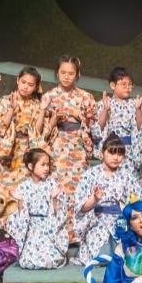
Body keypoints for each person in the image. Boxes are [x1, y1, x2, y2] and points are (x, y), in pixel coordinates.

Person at [40, 56, 98, 246]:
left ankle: (77, 234)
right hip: (58, 148)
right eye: (63, 72)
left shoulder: (86, 97)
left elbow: (96, 127)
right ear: (57, 73)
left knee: (79, 190)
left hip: (78, 147)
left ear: (77, 74)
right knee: (58, 191)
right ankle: (58, 234)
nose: (66, 77)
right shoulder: (49, 96)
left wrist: (79, 117)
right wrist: (53, 121)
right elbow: (41, 131)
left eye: (71, 73)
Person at [73, 136, 142, 266]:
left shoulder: (127, 176)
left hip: (121, 222)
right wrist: (95, 199)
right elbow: (81, 208)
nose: (116, 157)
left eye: (120, 154)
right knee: (103, 258)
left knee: (126, 258)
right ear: (102, 152)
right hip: (98, 222)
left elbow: (138, 201)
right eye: (112, 153)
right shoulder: (90, 175)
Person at [6, 148, 71, 269]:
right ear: (31, 166)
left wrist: (54, 199)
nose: (46, 168)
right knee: (27, 261)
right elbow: (19, 217)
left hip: (49, 230)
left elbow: (59, 213)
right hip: (30, 231)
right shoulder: (23, 187)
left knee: (51, 260)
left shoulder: (52, 184)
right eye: (43, 165)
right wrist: (20, 201)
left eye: (48, 165)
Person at [0, 66, 47, 188]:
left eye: (30, 85)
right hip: (7, 150)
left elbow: (37, 131)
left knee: (23, 189)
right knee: (1, 189)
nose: (25, 87)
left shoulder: (37, 105)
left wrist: (42, 110)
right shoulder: (3, 101)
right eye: (23, 82)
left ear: (36, 87)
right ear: (17, 80)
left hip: (26, 151)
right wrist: (12, 109)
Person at [94, 66, 142, 185]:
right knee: (110, 183)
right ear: (112, 85)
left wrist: (138, 109)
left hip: (130, 151)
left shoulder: (136, 103)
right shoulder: (103, 103)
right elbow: (99, 128)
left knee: (130, 184)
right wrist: (105, 109)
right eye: (123, 84)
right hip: (111, 150)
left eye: (130, 85)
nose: (128, 88)